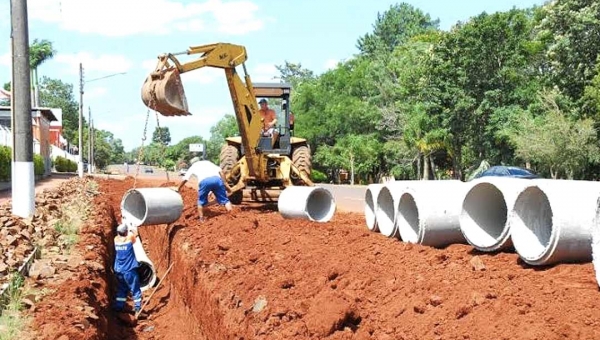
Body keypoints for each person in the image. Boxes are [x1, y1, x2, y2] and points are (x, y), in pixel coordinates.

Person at [176, 157, 233, 221]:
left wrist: (178, 188)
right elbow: (221, 171)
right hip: (217, 179)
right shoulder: (208, 162)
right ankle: (232, 215)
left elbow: (185, 179)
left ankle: (201, 219)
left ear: (192, 163)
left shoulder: (193, 166)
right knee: (225, 200)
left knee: (200, 202)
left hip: (205, 182)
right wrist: (225, 183)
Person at [112, 223, 142, 314]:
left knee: (122, 289)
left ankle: (118, 307)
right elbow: (136, 236)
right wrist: (133, 231)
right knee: (135, 289)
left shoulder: (115, 240)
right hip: (129, 270)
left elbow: (121, 236)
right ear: (125, 232)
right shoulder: (129, 239)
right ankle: (137, 308)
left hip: (119, 270)